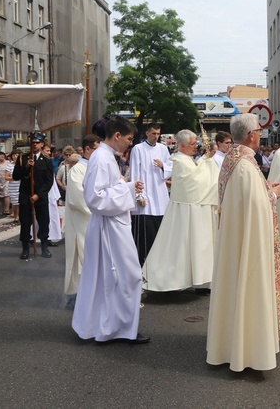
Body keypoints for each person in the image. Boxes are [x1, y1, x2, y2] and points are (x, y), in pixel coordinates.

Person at [206, 113, 280, 371]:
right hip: (248, 242)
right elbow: (257, 207)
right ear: (251, 134)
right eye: (259, 130)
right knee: (249, 285)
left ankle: (230, 344)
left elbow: (247, 198)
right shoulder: (245, 163)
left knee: (233, 287)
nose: (261, 135)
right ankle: (249, 351)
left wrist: (265, 190)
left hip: (234, 238)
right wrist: (273, 195)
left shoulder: (234, 160)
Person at [72, 117, 150, 345]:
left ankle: (116, 326)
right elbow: (95, 198)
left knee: (118, 277)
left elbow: (107, 190)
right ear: (117, 136)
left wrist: (127, 187)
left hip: (114, 223)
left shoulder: (106, 157)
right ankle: (116, 328)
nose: (130, 143)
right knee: (125, 276)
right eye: (128, 139)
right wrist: (127, 189)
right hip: (109, 227)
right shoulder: (101, 158)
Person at [142, 129, 219, 292]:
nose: (195, 147)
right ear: (182, 146)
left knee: (194, 247)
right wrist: (208, 161)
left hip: (195, 210)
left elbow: (199, 177)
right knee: (180, 248)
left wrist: (206, 161)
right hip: (185, 211)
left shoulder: (188, 159)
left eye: (195, 143)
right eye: (192, 144)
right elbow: (195, 183)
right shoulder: (180, 161)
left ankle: (199, 281)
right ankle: (167, 281)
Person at [64, 134, 100, 307]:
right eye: (96, 149)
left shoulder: (99, 167)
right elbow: (78, 197)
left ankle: (96, 294)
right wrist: (101, 207)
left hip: (100, 220)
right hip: (84, 220)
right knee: (84, 258)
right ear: (87, 149)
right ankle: (81, 297)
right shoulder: (77, 170)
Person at [128, 123, 172, 265]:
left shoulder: (163, 149)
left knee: (159, 232)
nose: (156, 137)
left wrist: (163, 166)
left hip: (160, 196)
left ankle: (157, 265)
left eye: (158, 134)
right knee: (144, 235)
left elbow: (170, 170)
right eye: (153, 133)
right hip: (145, 197)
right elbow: (134, 173)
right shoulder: (138, 149)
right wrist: (139, 195)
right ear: (147, 133)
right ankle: (141, 264)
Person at [11, 134, 54, 259]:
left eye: (37, 142)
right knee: (25, 223)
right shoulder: (22, 158)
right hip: (25, 195)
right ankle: (25, 248)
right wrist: (27, 167)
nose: (34, 144)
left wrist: (38, 195)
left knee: (44, 222)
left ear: (42, 145)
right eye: (32, 142)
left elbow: (49, 181)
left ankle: (44, 248)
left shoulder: (46, 160)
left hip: (40, 197)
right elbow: (15, 176)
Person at [0, 151, 11, 216]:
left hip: (6, 180)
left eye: (3, 155)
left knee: (6, 194)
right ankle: (3, 209)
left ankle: (7, 209)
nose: (2, 157)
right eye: (0, 156)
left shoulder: (8, 163)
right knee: (1, 196)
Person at [5, 150, 20, 223]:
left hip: (21, 185)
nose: (15, 157)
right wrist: (15, 177)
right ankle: (16, 216)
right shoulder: (9, 165)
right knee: (15, 202)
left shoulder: (22, 164)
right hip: (13, 186)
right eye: (14, 155)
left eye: (17, 155)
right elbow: (6, 177)